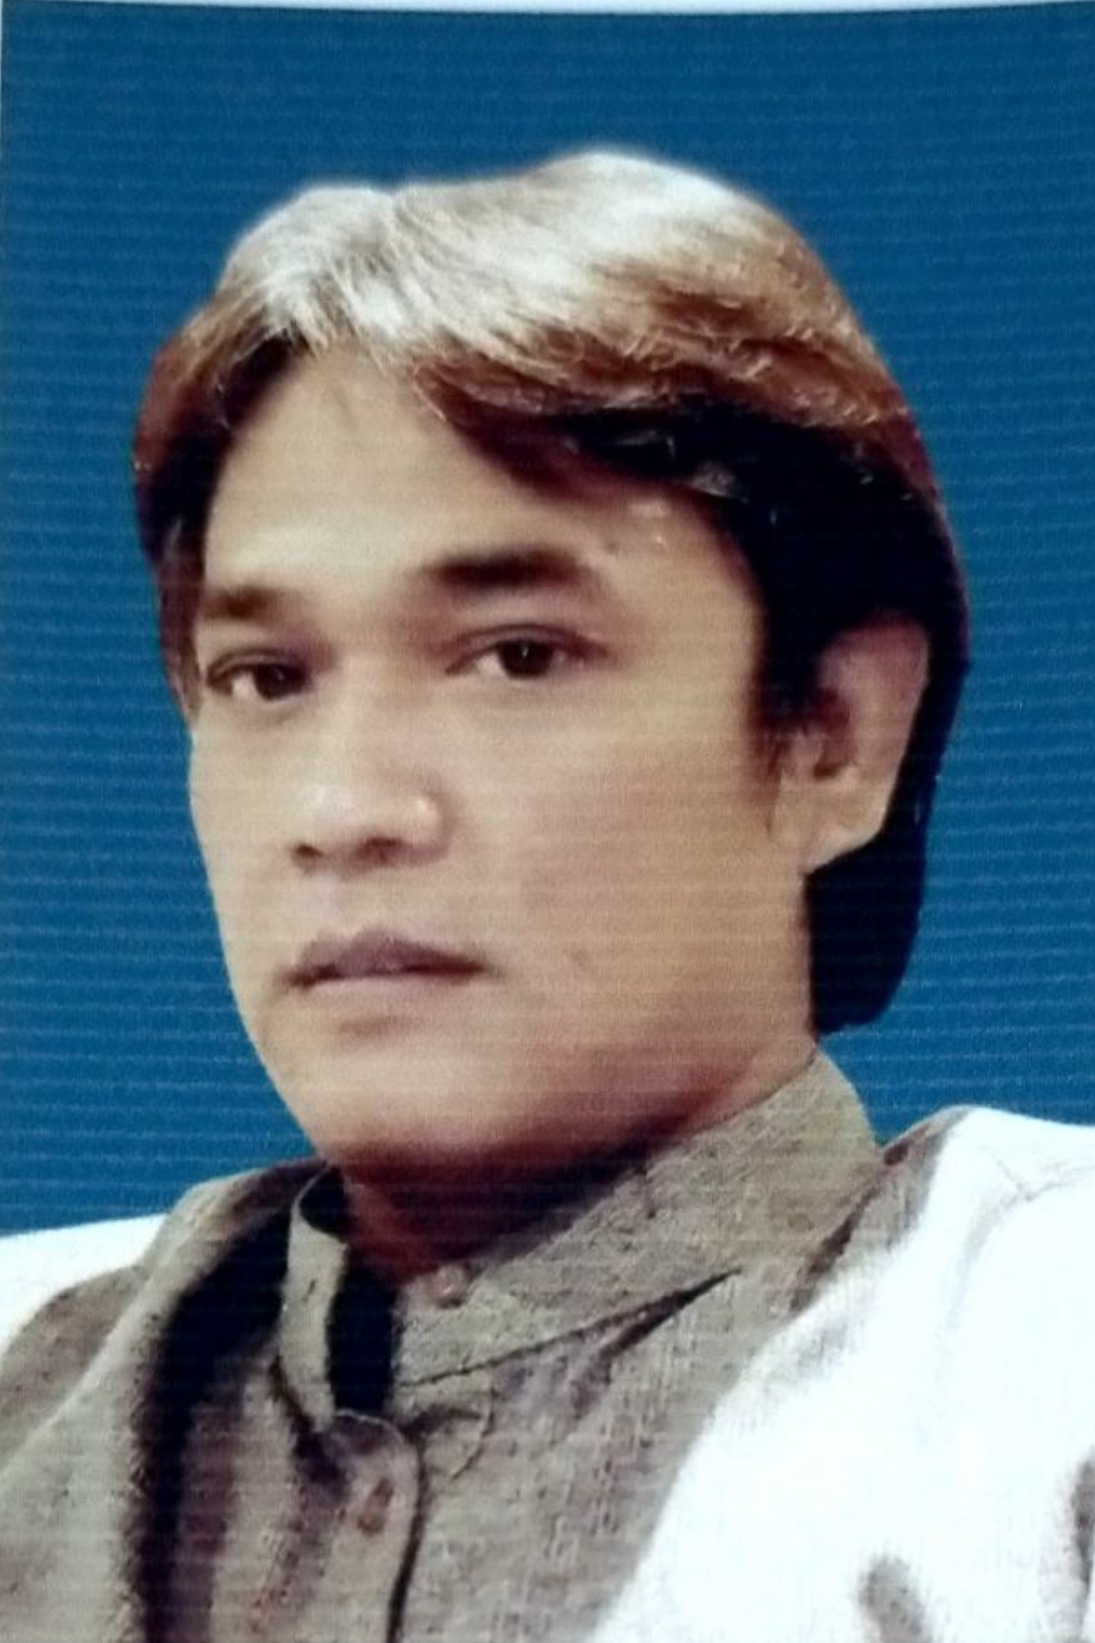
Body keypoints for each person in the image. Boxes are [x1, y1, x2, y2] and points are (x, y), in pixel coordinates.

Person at [0, 150, 1091, 1643]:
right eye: (265, 677)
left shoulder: (1049, 1364)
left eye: (518, 656)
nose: (342, 811)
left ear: (836, 734)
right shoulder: (33, 1385)